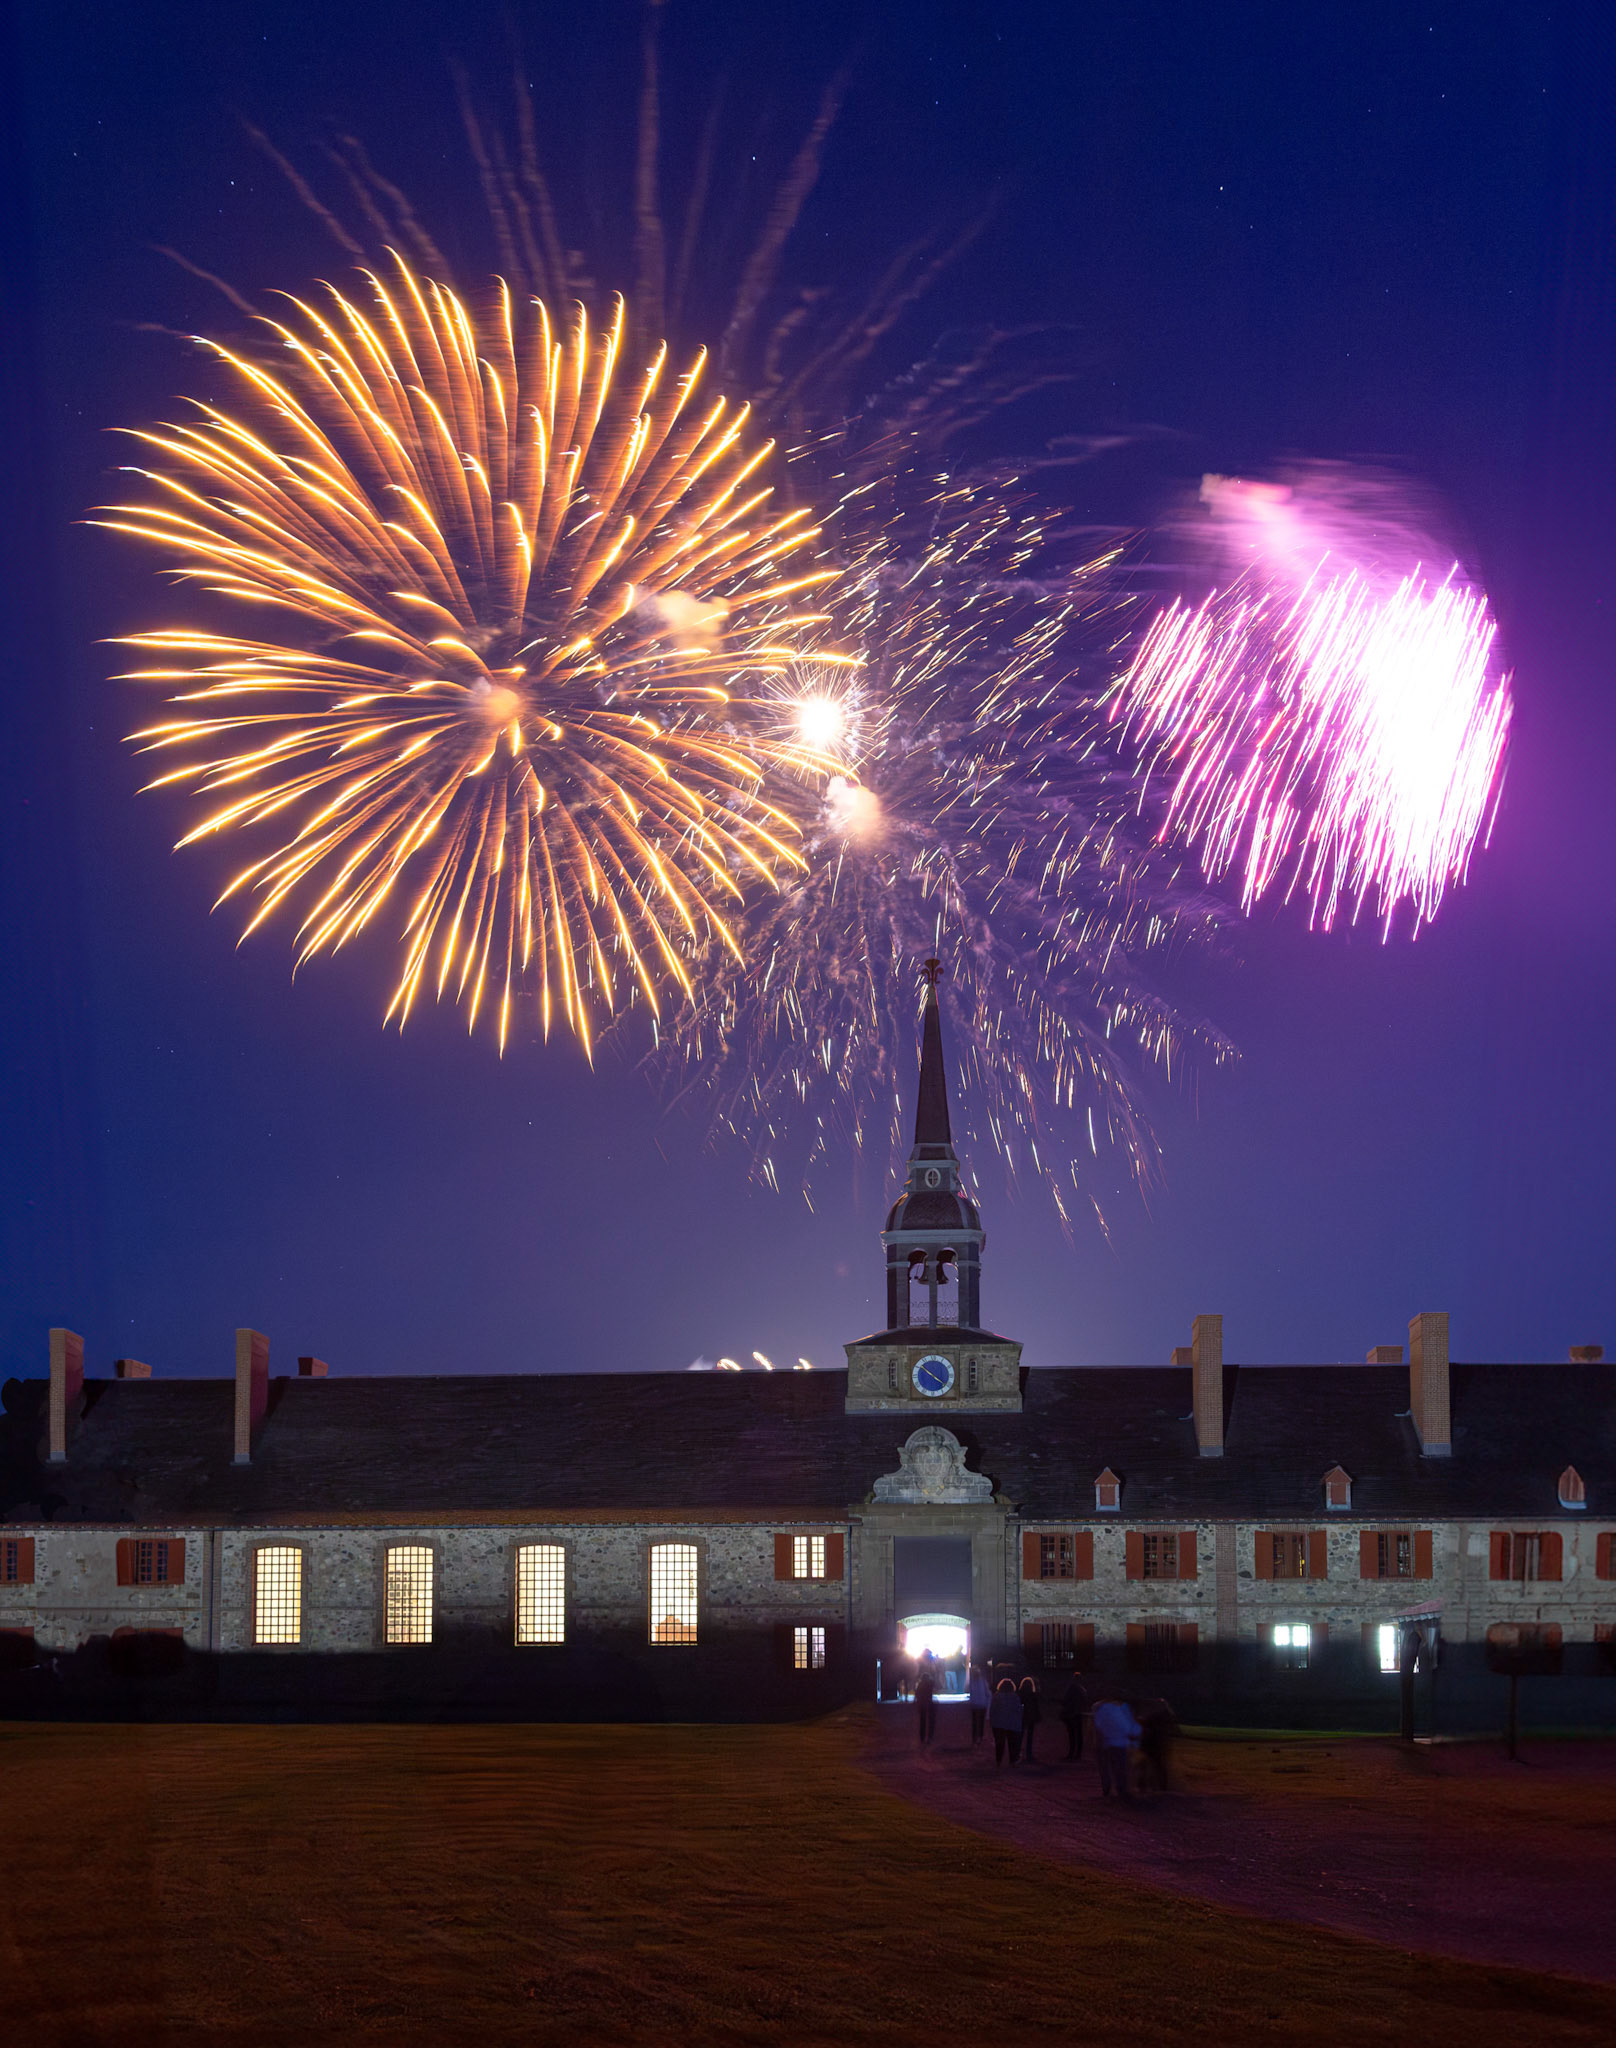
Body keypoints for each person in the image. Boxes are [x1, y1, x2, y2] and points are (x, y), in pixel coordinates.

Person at [1092, 1694, 1143, 1800]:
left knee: (1106, 1766)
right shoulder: (1122, 1707)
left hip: (1104, 1741)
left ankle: (1108, 1789)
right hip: (1116, 1742)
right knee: (1118, 1766)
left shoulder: (1098, 1706)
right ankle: (1120, 1789)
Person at [1137, 1697, 1179, 1791]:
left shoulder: (1153, 1716)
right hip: (1155, 1743)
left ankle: (1149, 1785)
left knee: (1149, 1764)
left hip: (1152, 1743)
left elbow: (1145, 1727)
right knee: (1155, 1765)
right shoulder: (1164, 1715)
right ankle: (1157, 1786)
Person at [988, 1676, 1023, 1766]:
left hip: (998, 1723)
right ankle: (1012, 1760)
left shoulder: (996, 1696)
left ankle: (999, 1760)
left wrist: (991, 1720)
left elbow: (993, 1709)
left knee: (999, 1743)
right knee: (1012, 1742)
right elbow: (1018, 1710)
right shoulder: (1015, 1697)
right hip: (1012, 1723)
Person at [1059, 1673, 1089, 1761]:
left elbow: (1065, 1700)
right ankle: (1078, 1754)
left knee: (1072, 1734)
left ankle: (1071, 1753)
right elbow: (1084, 1701)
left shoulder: (1072, 1688)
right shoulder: (1082, 1689)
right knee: (1079, 1734)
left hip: (1071, 1713)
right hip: (1078, 1713)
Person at [1018, 1674, 1043, 1763]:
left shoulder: (1020, 1694)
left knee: (1020, 1736)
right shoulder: (1033, 1695)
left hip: (1023, 1717)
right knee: (1029, 1737)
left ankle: (1018, 1753)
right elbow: (1036, 1707)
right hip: (1031, 1717)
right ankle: (1029, 1754)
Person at [915, 1658, 937, 1746]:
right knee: (930, 1722)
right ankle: (929, 1738)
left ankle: (922, 1738)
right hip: (929, 1704)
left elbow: (917, 1694)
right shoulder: (930, 1684)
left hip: (922, 1705)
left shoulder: (920, 1685)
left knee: (922, 1722)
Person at [968, 1663, 992, 1746]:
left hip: (975, 1704)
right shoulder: (983, 1681)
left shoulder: (972, 1681)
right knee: (980, 1722)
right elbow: (987, 1692)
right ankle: (979, 1737)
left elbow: (970, 1691)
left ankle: (975, 1738)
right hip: (981, 1704)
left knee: (975, 1722)